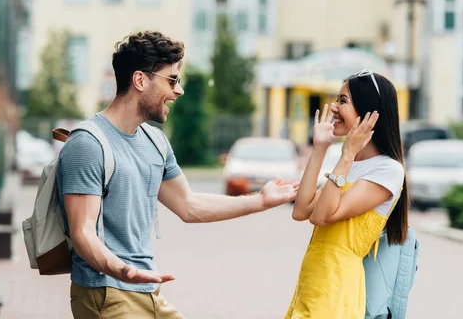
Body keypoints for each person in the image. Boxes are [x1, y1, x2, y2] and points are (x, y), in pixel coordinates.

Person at [57, 31, 299, 318]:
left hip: (146, 289)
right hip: (106, 291)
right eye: (172, 80)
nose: (179, 90)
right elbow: (82, 231)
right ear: (140, 80)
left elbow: (189, 205)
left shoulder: (154, 141)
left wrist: (260, 200)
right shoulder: (88, 144)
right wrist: (121, 269)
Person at [286, 69, 409, 319]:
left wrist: (346, 155)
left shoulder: (388, 170)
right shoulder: (348, 166)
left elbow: (321, 216)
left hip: (337, 286)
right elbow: (300, 211)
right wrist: (320, 148)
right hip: (312, 280)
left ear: (368, 111)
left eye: (343, 101)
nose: (333, 107)